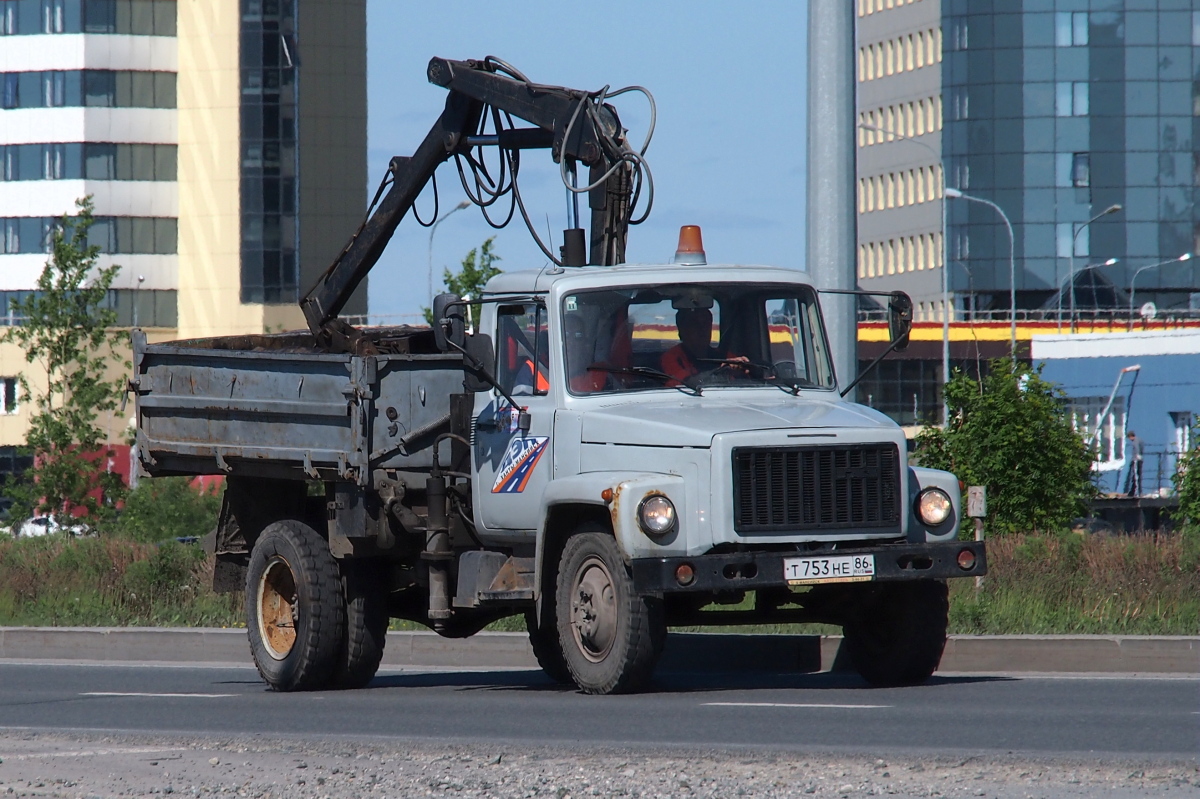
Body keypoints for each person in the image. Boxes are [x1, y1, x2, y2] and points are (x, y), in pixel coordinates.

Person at [660, 307, 747, 384]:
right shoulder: (671, 358)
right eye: (694, 324)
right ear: (682, 330)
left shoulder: (726, 356)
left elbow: (750, 380)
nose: (702, 329)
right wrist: (723, 370)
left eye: (706, 323)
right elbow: (684, 383)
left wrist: (740, 370)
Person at [1124, 430, 1144, 497]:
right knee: (1137, 475)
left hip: (1136, 460)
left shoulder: (1135, 441)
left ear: (1131, 436)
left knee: (1135, 476)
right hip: (1140, 459)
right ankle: (1135, 491)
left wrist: (1137, 456)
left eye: (1129, 438)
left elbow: (1137, 448)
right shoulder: (1140, 440)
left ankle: (1135, 492)